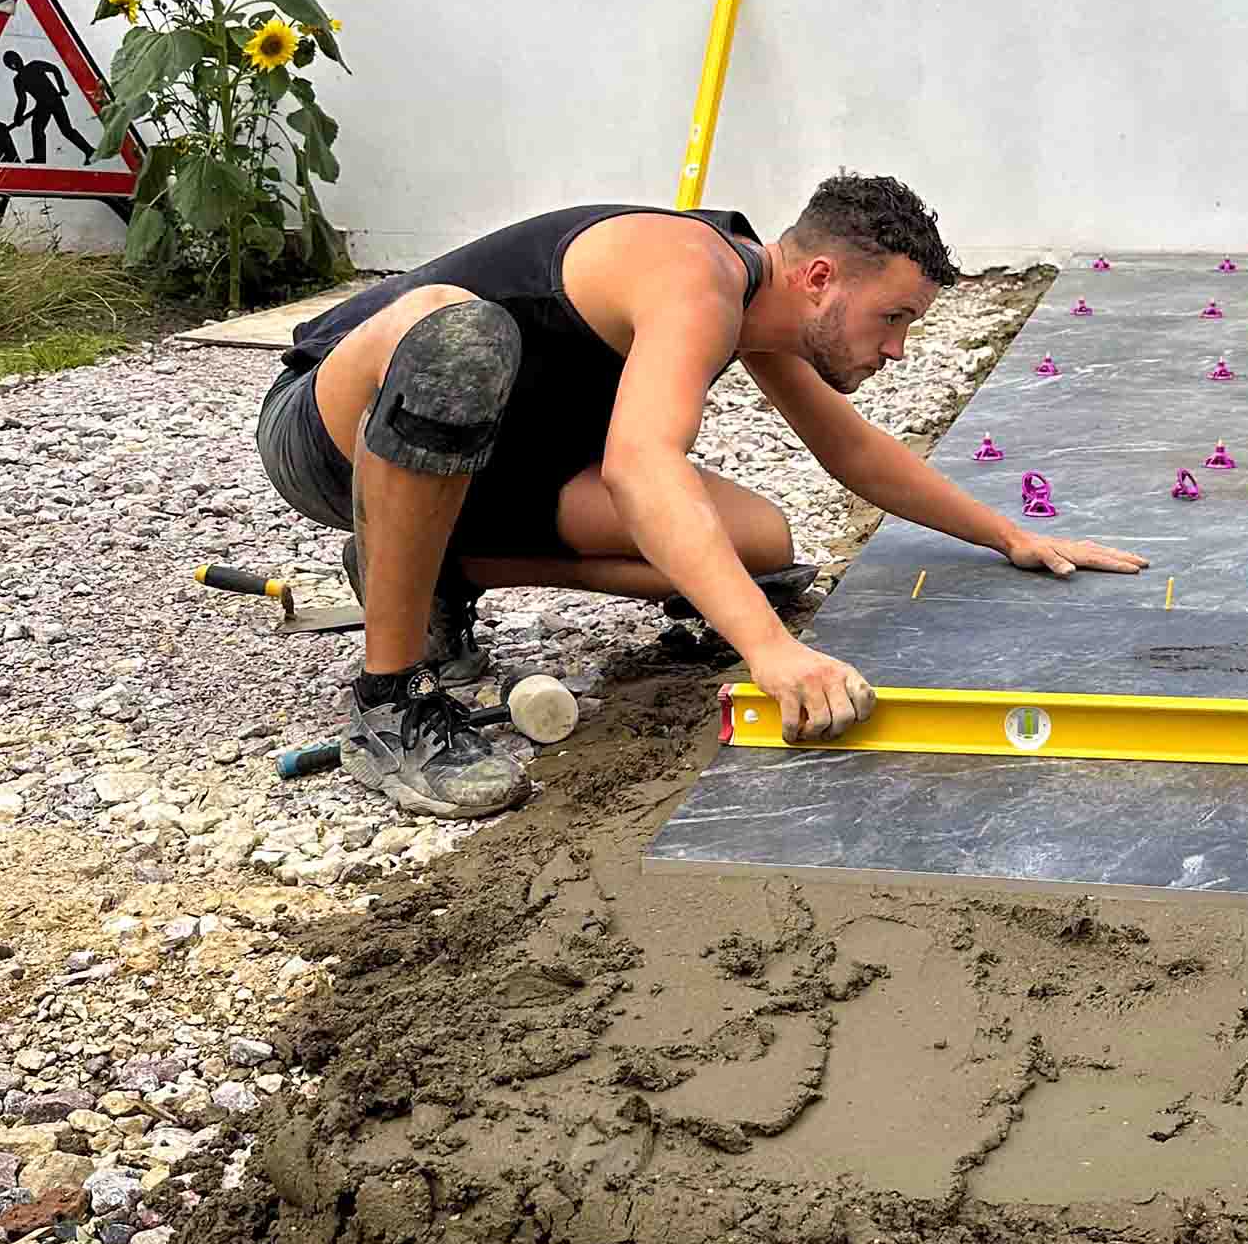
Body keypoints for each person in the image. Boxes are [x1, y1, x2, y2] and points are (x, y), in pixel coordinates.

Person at [255, 175, 1146, 816]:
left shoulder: (767, 305)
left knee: (759, 544)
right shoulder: (694, 272)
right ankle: (390, 703)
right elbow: (644, 466)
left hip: (489, 475)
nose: (898, 349)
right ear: (822, 279)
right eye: (896, 318)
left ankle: (438, 572)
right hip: (332, 432)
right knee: (450, 326)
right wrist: (768, 652)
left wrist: (1006, 535)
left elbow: (854, 455)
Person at [3, 51, 93, 165]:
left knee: (61, 130)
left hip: (53, 100)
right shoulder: (19, 78)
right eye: (12, 63)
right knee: (43, 130)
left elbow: (54, 69)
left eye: (15, 61)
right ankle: (40, 158)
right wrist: (18, 117)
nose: (15, 64)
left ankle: (89, 151)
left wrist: (62, 87)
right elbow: (22, 101)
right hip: (44, 104)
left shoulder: (33, 67)